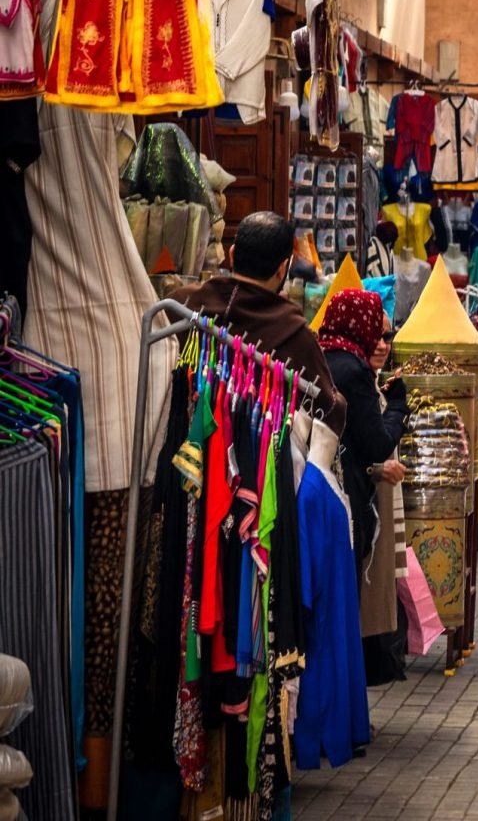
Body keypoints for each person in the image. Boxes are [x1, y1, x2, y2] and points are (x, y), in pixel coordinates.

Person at [171, 211, 346, 432]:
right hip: (257, 460)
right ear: (283, 268)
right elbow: (328, 409)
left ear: (232, 254)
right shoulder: (296, 334)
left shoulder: (179, 304)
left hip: (178, 442)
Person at [318, 290, 409, 685]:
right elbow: (374, 443)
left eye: (387, 336)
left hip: (317, 492)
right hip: (345, 499)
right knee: (343, 606)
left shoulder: (320, 357)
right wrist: (399, 409)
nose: (381, 342)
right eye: (377, 331)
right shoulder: (354, 371)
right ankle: (342, 703)